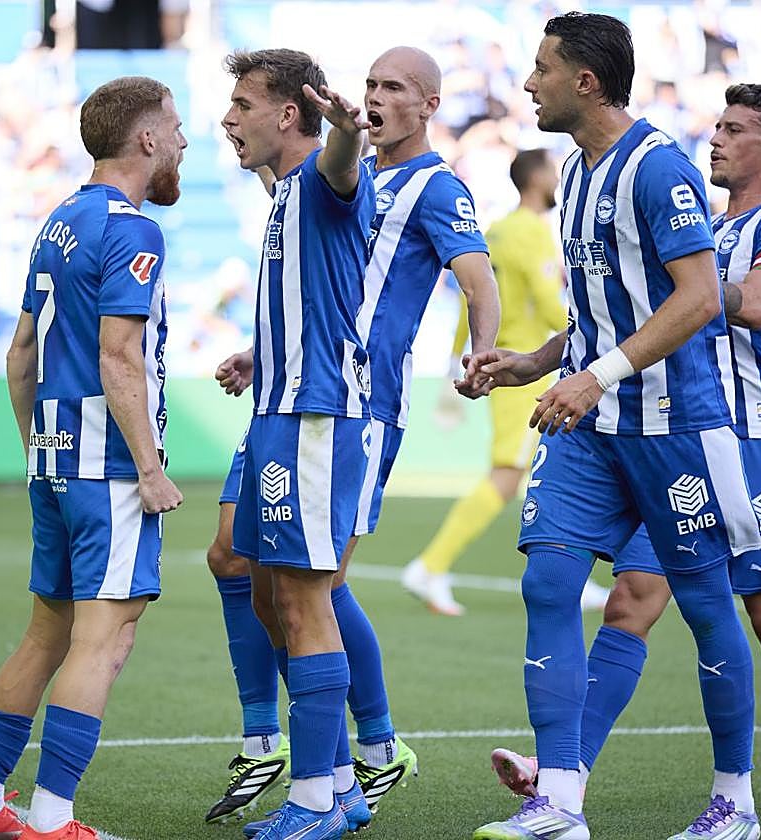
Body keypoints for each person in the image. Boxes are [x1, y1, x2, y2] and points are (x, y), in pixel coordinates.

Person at [490, 84, 761, 833]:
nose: (715, 140)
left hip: (747, 438)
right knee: (630, 600)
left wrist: (680, 283)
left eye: (735, 130)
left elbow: (753, 303)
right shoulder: (698, 225)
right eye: (715, 126)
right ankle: (564, 775)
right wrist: (542, 358)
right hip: (667, 433)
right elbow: (624, 315)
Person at [464, 14, 761, 840]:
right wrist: (542, 362)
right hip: (592, 425)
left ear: (585, 83)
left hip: (675, 428)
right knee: (548, 584)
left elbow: (700, 299)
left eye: (541, 68)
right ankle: (559, 801)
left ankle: (736, 804)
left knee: (706, 609)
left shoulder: (657, 168)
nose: (528, 83)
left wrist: (597, 375)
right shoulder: (574, 170)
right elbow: (604, 311)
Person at [204, 45, 502, 827]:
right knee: (245, 564)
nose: (374, 97)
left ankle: (352, 761)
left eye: (392, 86)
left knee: (312, 589)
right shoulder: (311, 184)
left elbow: (476, 276)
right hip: (288, 389)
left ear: (428, 103)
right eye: (368, 84)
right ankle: (326, 763)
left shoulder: (402, 180)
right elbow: (319, 279)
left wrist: (480, 353)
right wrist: (262, 349)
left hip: (347, 402)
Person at [0, 76, 185, 840]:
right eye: (174, 129)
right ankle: (52, 822)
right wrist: (149, 468)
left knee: (46, 630)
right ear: (145, 139)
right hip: (108, 467)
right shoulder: (132, 228)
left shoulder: (58, 222)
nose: (183, 141)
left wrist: (37, 455)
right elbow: (120, 358)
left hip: (55, 460)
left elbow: (20, 355)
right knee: (104, 635)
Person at [216, 48, 375, 840]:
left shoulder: (319, 174)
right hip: (280, 409)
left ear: (288, 113)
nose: (227, 119)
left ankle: (315, 798)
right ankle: (341, 781)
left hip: (317, 417)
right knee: (269, 593)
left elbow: (343, 164)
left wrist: (347, 131)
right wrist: (261, 354)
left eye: (242, 104)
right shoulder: (281, 195)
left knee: (307, 601)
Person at [402, 147, 610, 616]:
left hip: (503, 361)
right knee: (507, 476)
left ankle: (571, 575)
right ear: (538, 180)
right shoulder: (531, 231)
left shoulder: (494, 230)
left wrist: (463, 355)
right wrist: (596, 332)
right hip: (527, 371)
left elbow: (470, 298)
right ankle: (431, 565)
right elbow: (548, 298)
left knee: (560, 471)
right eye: (554, 173)